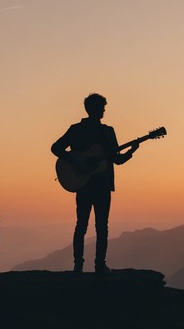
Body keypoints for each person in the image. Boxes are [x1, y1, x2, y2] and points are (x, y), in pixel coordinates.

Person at [51, 93, 139, 274]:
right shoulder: (107, 131)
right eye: (102, 107)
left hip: (84, 185)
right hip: (100, 185)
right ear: (97, 109)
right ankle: (99, 266)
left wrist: (131, 150)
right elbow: (117, 160)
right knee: (101, 226)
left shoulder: (76, 129)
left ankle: (78, 266)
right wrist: (77, 161)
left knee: (81, 224)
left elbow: (56, 148)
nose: (104, 111)